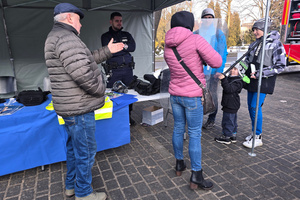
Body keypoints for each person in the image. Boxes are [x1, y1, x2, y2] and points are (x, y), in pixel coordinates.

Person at [44, 3, 124, 200]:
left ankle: (71, 186)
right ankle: (83, 193)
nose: (81, 25)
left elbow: (85, 59)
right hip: (79, 108)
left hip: (71, 107)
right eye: (79, 20)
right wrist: (101, 91)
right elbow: (83, 74)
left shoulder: (60, 36)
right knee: (86, 152)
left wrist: (107, 50)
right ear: (70, 18)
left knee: (74, 149)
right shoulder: (66, 38)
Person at [164, 11, 222, 190]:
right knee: (195, 133)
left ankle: (179, 164)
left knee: (178, 128)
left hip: (175, 94)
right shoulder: (196, 39)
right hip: (193, 96)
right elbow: (217, 61)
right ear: (190, 23)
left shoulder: (167, 44)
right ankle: (196, 175)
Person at [242, 18, 286, 148]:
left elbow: (281, 65)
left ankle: (257, 136)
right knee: (250, 106)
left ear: (265, 29)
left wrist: (261, 73)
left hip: (264, 81)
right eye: (254, 30)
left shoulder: (276, 44)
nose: (255, 32)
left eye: (257, 29)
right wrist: (238, 70)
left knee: (255, 107)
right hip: (251, 79)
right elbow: (246, 60)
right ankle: (254, 132)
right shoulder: (254, 44)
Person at [194, 8, 228, 129]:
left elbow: (223, 53)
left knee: (212, 95)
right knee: (198, 95)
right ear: (202, 20)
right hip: (199, 72)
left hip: (213, 71)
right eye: (206, 18)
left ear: (214, 20)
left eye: (210, 18)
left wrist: (219, 70)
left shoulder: (218, 34)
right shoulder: (196, 33)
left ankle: (211, 119)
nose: (208, 20)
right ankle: (197, 118)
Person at [101, 12, 136, 125]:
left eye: (120, 21)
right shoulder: (106, 36)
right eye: (117, 21)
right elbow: (110, 51)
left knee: (128, 93)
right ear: (111, 21)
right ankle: (115, 119)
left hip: (127, 70)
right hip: (114, 71)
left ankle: (128, 117)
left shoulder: (127, 34)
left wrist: (123, 46)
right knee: (113, 94)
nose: (119, 23)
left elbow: (133, 47)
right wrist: (125, 47)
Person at [214, 66, 243, 144]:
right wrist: (223, 76)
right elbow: (228, 81)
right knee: (232, 120)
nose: (232, 70)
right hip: (231, 104)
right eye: (231, 68)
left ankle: (226, 137)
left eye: (235, 69)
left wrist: (223, 79)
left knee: (227, 121)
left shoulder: (238, 81)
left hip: (230, 104)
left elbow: (229, 89)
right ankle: (233, 135)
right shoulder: (233, 79)